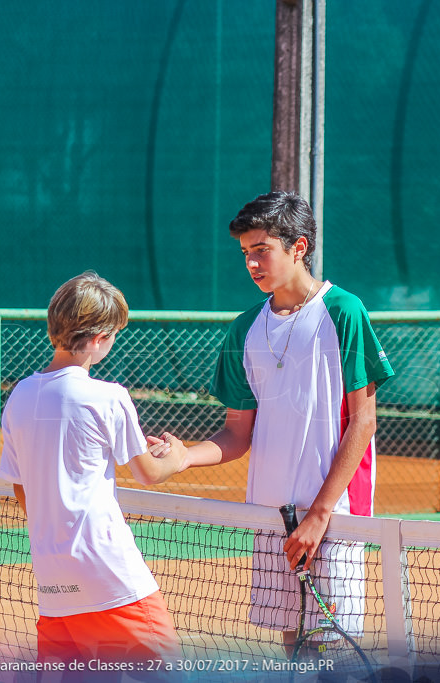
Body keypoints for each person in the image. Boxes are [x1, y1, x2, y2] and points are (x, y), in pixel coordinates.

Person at [165, 191, 394, 652]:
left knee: (333, 650)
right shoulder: (244, 329)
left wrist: (319, 514)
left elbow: (363, 423)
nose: (251, 263)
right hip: (271, 515)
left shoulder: (343, 311)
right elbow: (236, 432)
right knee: (293, 645)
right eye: (245, 253)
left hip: (333, 516)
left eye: (261, 249)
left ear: (299, 247)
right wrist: (185, 456)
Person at [0, 271, 185, 667]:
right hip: (111, 576)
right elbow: (148, 472)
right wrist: (176, 454)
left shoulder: (18, 397)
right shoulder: (109, 397)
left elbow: (21, 490)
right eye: (113, 335)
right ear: (99, 339)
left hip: (54, 583)